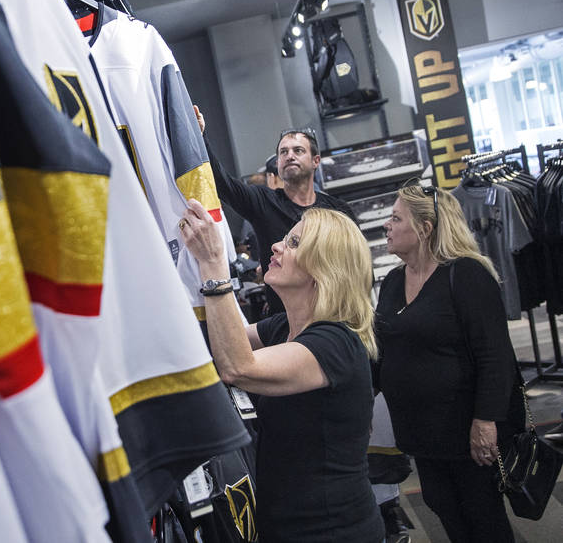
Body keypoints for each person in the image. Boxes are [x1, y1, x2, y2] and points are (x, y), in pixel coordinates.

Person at [179, 202, 383, 542]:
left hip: (332, 532)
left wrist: (213, 266)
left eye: (293, 243)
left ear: (324, 267)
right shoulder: (283, 327)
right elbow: (217, 345)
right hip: (287, 524)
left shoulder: (337, 343)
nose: (276, 245)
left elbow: (238, 366)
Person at [375, 184, 517, 543]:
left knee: (483, 517)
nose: (386, 226)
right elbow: (382, 350)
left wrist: (485, 421)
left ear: (425, 227)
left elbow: (495, 355)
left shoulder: (466, 274)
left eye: (395, 218)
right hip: (421, 433)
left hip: (466, 431)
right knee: (445, 509)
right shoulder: (393, 281)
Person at [203, 122, 356, 316]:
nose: (289, 156)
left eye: (298, 150)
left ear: (316, 160)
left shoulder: (338, 211)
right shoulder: (263, 202)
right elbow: (222, 183)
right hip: (284, 318)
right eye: (283, 152)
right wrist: (201, 136)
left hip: (334, 315)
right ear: (278, 164)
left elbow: (356, 265)